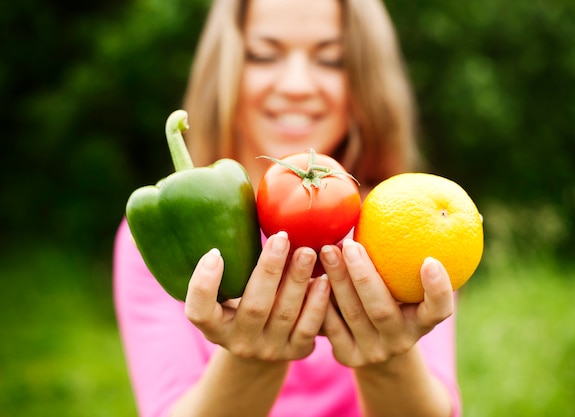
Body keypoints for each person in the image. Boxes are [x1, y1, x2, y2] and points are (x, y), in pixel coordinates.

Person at [114, 0, 461, 416]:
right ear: (225, 70)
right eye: (263, 54)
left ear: (365, 80)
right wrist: (250, 364)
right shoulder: (162, 227)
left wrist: (389, 361)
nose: (296, 84)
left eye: (332, 59)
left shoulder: (400, 219)